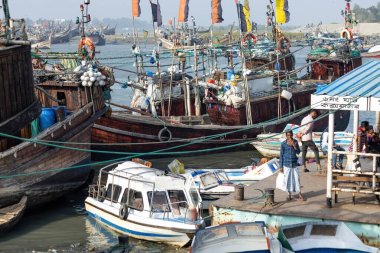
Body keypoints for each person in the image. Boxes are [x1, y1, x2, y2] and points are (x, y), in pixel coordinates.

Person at [279, 130, 305, 201]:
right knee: (287, 180)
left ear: (292, 135)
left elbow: (298, 152)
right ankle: (289, 195)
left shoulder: (295, 142)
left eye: (290, 135)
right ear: (286, 136)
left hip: (294, 163)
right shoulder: (283, 144)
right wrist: (280, 166)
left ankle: (299, 193)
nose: (289, 137)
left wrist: (294, 145)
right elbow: (281, 155)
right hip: (286, 164)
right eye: (288, 135)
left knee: (297, 179)